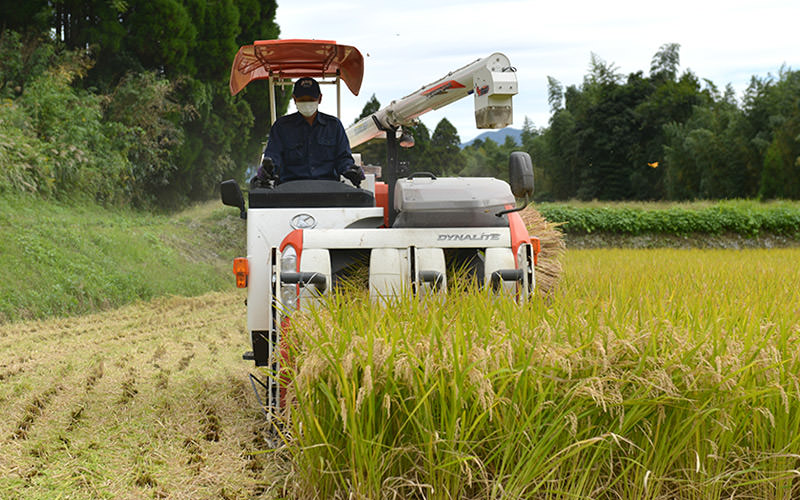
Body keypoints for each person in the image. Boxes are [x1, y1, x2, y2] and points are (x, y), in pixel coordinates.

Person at [255, 77, 365, 187]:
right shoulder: (281, 127)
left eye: (311, 99)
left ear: (320, 98)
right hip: (290, 190)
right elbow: (274, 157)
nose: (306, 103)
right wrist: (268, 169)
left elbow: (343, 158)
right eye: (302, 100)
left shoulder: (334, 126)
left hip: (329, 189)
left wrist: (350, 170)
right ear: (294, 99)